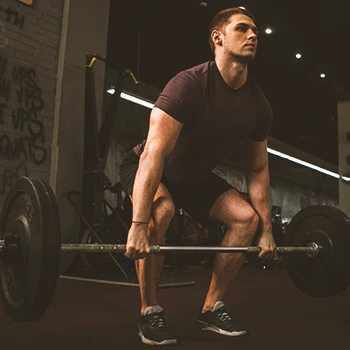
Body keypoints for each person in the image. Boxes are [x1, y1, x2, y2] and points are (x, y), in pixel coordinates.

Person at [119, 6, 277, 346]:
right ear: (218, 37)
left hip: (194, 177)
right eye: (243, 29)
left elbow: (258, 169)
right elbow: (153, 155)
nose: (253, 35)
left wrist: (266, 230)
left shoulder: (258, 104)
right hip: (146, 166)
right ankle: (149, 313)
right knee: (160, 212)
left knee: (246, 219)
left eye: (256, 32)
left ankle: (210, 308)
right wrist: (137, 223)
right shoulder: (190, 84)